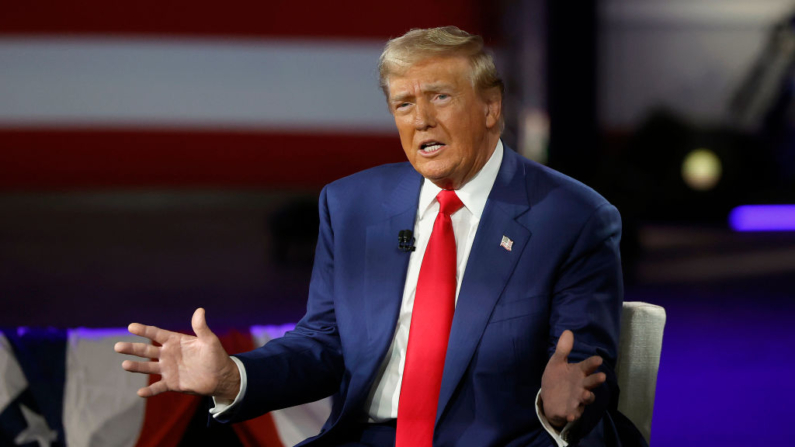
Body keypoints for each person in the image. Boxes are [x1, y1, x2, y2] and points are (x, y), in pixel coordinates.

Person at [115, 27, 643, 447]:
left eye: (440, 96)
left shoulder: (572, 218)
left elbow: (583, 369)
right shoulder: (351, 205)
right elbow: (324, 343)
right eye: (404, 104)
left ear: (491, 108)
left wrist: (556, 409)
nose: (422, 120)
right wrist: (233, 376)